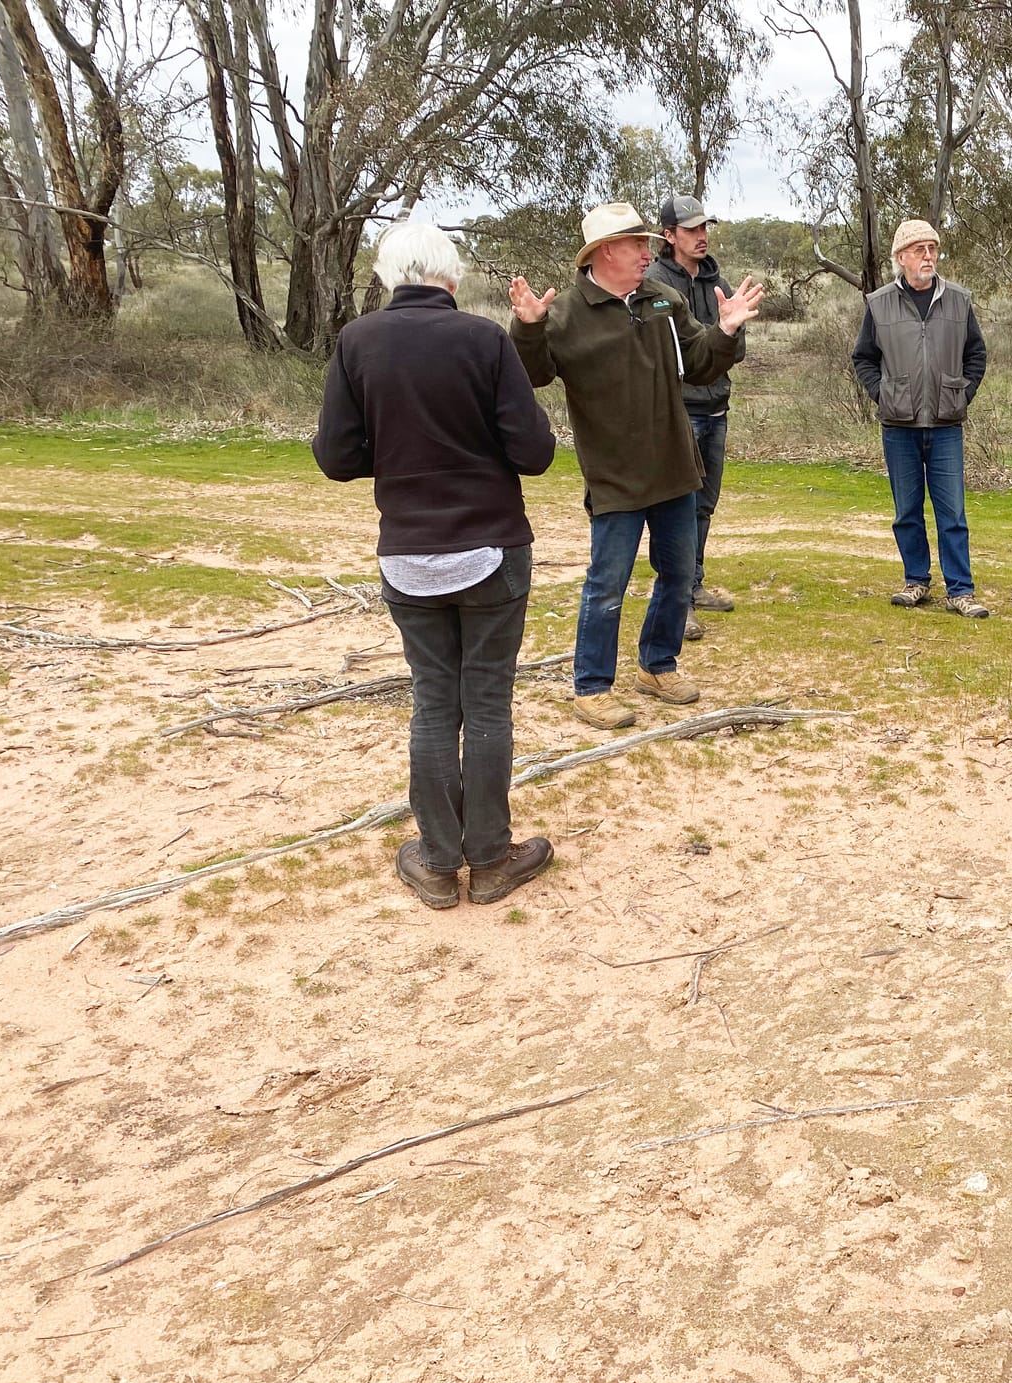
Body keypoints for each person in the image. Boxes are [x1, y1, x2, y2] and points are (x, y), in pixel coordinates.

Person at [312, 222, 558, 909]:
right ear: (450, 279)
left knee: (431, 703)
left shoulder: (356, 342)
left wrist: (391, 453)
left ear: (391, 277)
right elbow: (533, 452)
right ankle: (491, 860)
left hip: (409, 555)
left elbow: (335, 457)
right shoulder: (484, 340)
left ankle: (437, 860)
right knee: (485, 701)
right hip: (491, 552)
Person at [507, 202, 762, 728]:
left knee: (675, 574)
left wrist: (729, 331)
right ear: (603, 253)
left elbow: (700, 363)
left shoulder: (663, 301)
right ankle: (592, 687)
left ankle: (658, 664)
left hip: (673, 466)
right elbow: (532, 376)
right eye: (636, 245)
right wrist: (528, 328)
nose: (649, 253)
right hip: (614, 476)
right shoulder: (567, 314)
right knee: (607, 583)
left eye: (647, 244)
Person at [851, 219, 991, 617]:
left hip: (946, 425)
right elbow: (863, 357)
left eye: (932, 248)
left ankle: (960, 591)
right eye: (918, 250)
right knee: (907, 511)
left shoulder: (959, 300)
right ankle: (916, 582)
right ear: (901, 258)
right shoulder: (878, 303)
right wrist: (882, 393)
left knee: (953, 513)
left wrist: (962, 393)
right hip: (899, 426)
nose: (927, 256)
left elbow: (976, 355)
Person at [649, 194, 739, 641]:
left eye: (705, 227)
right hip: (679, 411)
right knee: (677, 509)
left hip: (716, 406)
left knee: (704, 505)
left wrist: (728, 331)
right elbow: (664, 354)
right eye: (691, 229)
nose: (702, 236)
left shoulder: (716, 280)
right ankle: (675, 599)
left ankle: (693, 583)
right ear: (669, 236)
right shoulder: (652, 284)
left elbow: (730, 348)